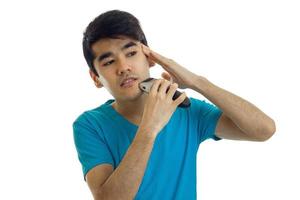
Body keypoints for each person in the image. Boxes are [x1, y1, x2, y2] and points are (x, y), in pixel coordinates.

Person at [73, 10, 276, 200]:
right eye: (109, 62)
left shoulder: (185, 109)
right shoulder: (90, 125)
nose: (124, 67)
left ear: (149, 57)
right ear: (96, 78)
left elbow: (264, 130)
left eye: (131, 53)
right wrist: (149, 128)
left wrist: (197, 82)